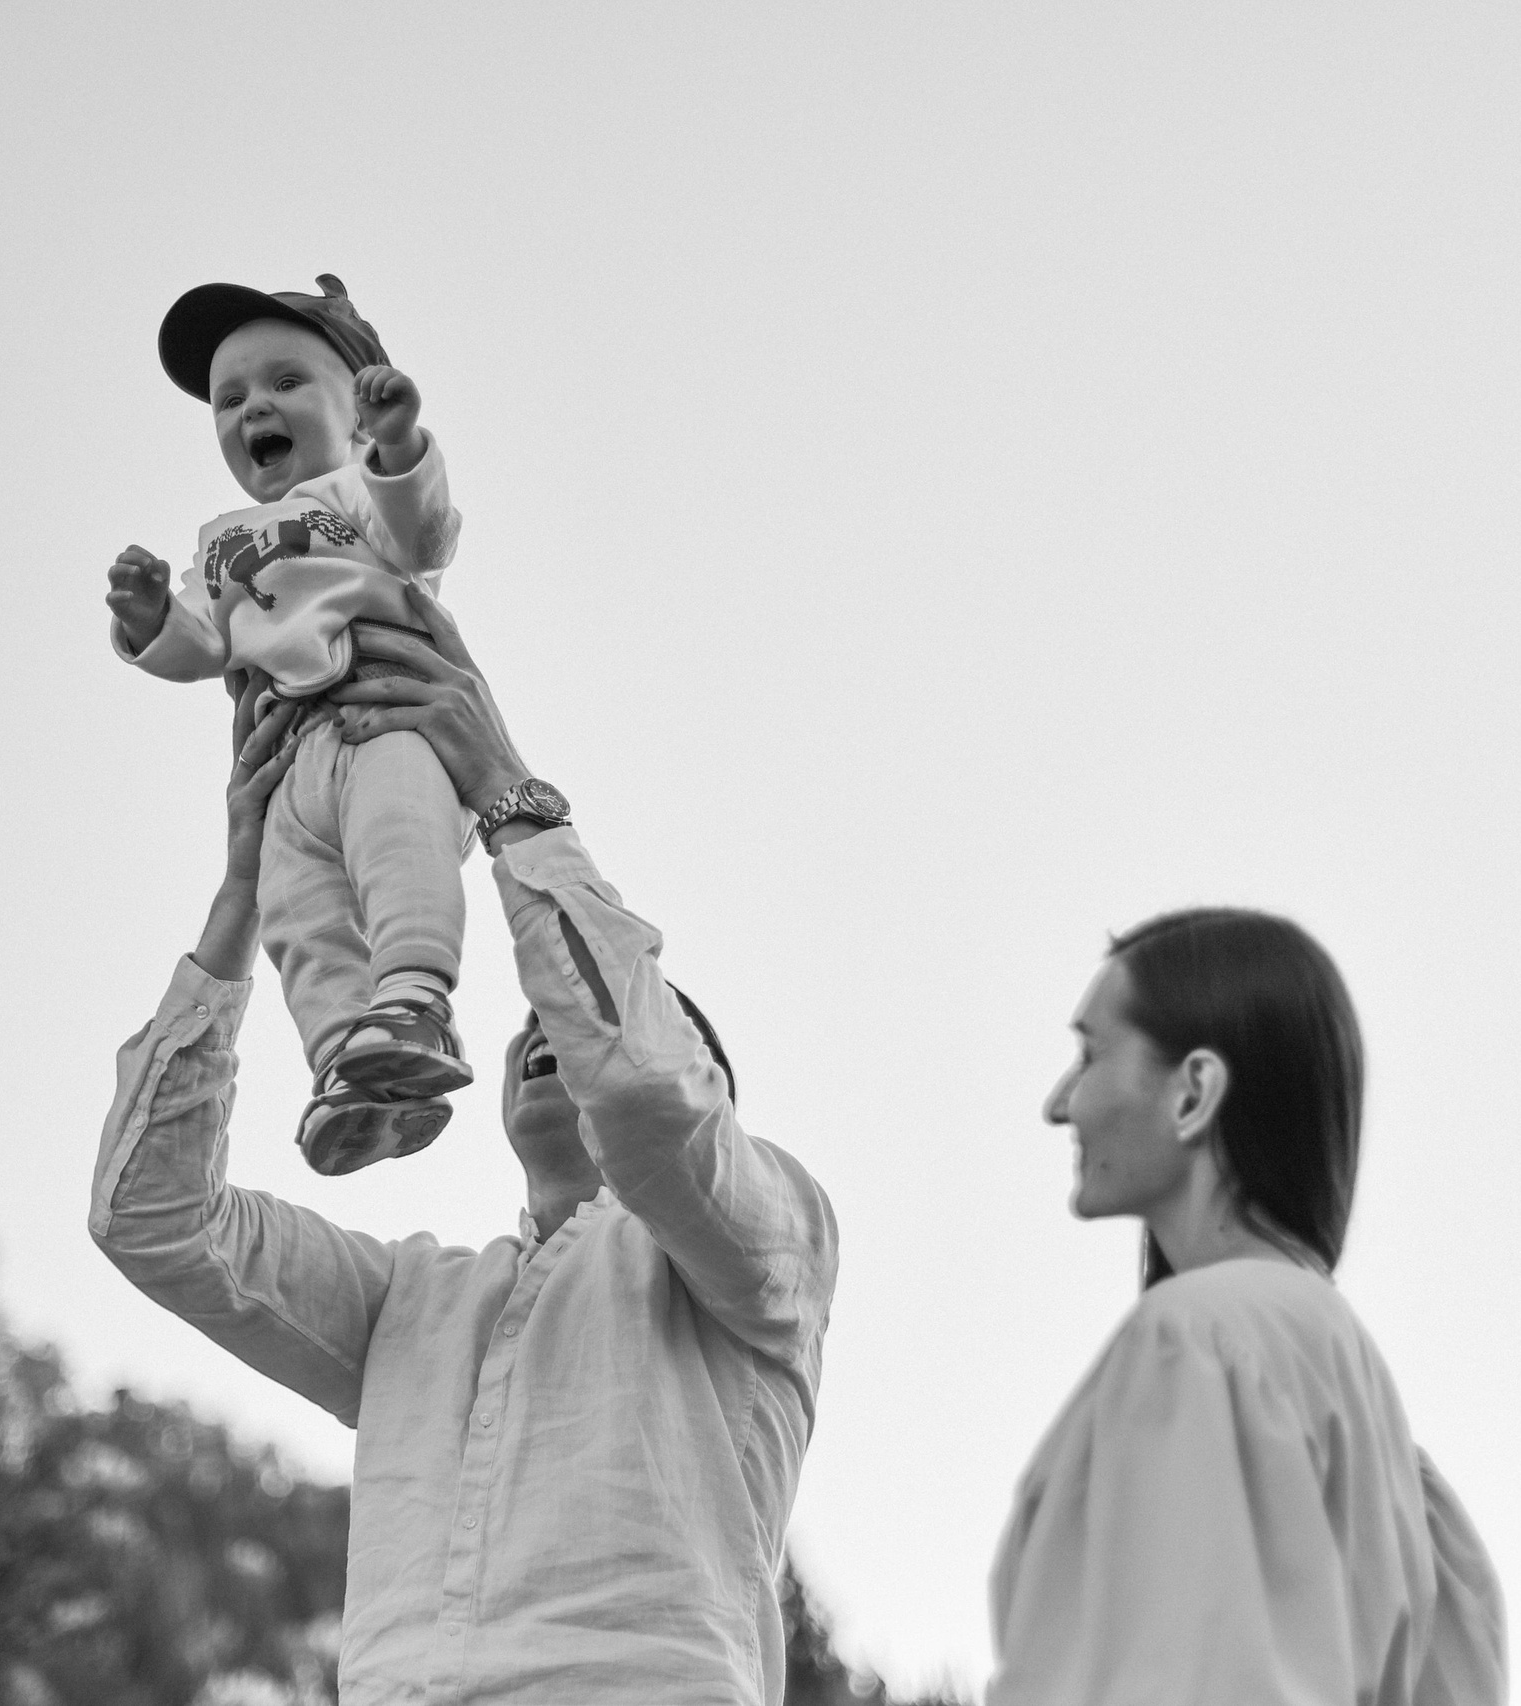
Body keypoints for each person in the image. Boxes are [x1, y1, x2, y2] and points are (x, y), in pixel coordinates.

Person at [89, 586, 839, 1706]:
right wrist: (245, 896)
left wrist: (505, 793)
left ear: (717, 1091)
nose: (543, 1026)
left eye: (569, 1014)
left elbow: (643, 1088)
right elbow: (151, 1221)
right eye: (530, 1018)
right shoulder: (412, 1303)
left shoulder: (774, 1238)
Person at [987, 909, 1507, 1704]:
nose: (1060, 1104)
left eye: (1090, 1053)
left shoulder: (1193, 1343)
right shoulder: (1376, 1429)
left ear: (1193, 1091)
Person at [106, 274, 472, 1176]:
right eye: (229, 400)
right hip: (285, 758)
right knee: (296, 913)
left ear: (357, 415)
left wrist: (400, 447)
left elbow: (423, 535)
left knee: (398, 849)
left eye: (285, 382)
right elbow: (202, 643)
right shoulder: (223, 543)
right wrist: (151, 620)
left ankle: (414, 997)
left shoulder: (358, 493)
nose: (253, 409)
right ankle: (350, 1063)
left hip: (385, 719)